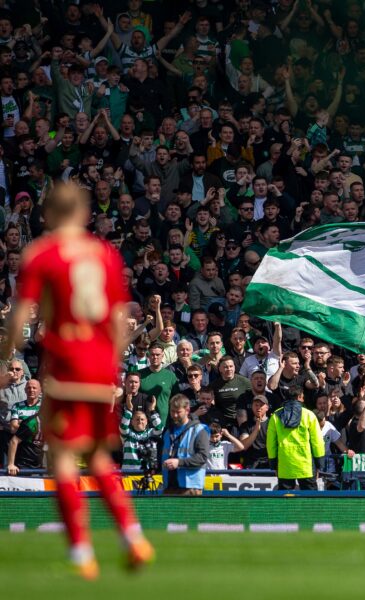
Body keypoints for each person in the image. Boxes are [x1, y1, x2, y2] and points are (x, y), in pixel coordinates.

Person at [0, 183, 153, 578]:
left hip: (66, 367)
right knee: (100, 458)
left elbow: (20, 315)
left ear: (47, 216)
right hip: (101, 370)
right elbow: (118, 318)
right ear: (85, 214)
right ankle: (131, 535)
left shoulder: (41, 254)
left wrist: (7, 352)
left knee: (65, 461)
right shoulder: (105, 254)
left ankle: (81, 551)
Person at [266, 386, 326, 490]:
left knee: (285, 500)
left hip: (285, 464)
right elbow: (317, 442)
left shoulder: (276, 415)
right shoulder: (309, 415)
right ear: (300, 397)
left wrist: (273, 464)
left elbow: (270, 443)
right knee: (310, 500)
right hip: (306, 464)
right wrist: (319, 464)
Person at [160, 394, 211, 496]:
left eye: (178, 412)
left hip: (191, 487)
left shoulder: (200, 429)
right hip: (169, 486)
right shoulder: (167, 432)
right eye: (172, 411)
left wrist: (179, 462)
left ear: (187, 410)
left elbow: (202, 457)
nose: (174, 415)